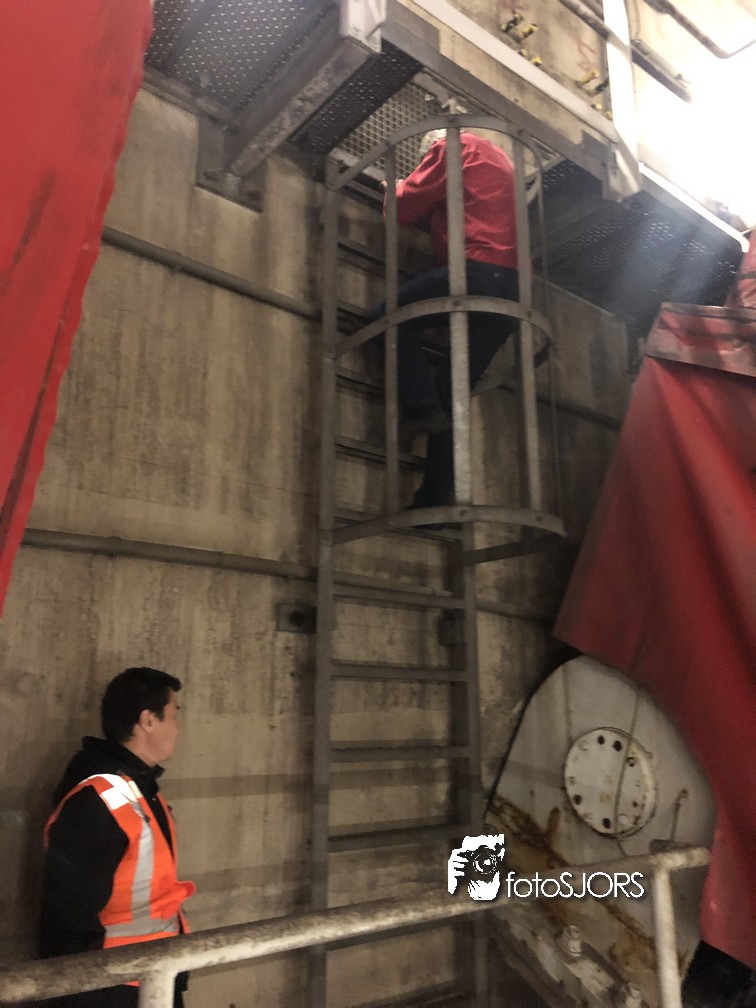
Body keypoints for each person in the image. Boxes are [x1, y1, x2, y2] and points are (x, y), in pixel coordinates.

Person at [377, 128, 520, 509]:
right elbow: (448, 213)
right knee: (451, 392)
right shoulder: (498, 161)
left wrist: (394, 187)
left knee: (384, 318)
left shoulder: (451, 145)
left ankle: (420, 406)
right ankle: (435, 499)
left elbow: (404, 207)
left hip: (476, 269)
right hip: (512, 288)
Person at [39, 667, 195, 1008]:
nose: (178, 727)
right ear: (147, 721)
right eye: (173, 715)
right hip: (114, 988)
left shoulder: (139, 789)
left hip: (150, 976)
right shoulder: (98, 800)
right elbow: (69, 920)